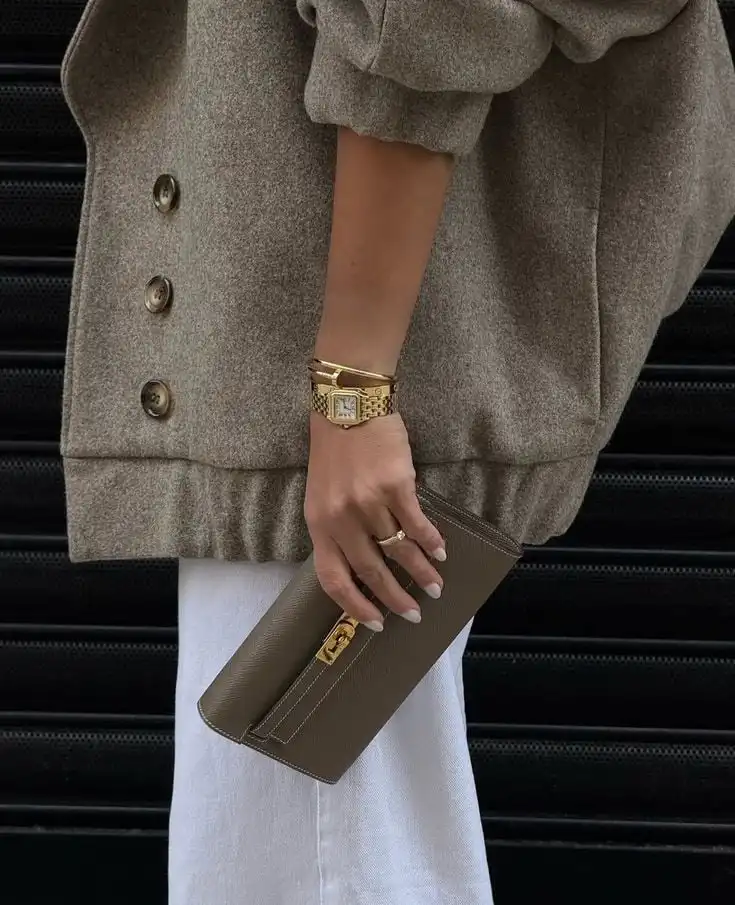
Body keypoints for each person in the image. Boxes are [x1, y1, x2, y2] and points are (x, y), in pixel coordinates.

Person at [59, 1, 735, 902]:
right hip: (314, 350)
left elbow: (420, 22)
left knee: (314, 854)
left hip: (340, 375)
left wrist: (352, 391)